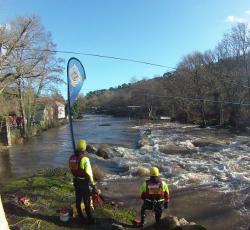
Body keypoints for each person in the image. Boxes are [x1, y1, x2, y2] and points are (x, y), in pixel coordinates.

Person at [69, 139, 96, 225]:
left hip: (76, 182)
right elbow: (89, 173)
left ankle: (81, 217)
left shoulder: (72, 158)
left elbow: (72, 170)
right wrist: (92, 184)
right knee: (86, 202)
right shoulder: (85, 159)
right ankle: (90, 220)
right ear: (84, 149)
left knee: (78, 199)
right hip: (84, 183)